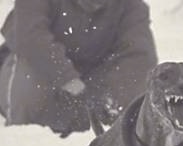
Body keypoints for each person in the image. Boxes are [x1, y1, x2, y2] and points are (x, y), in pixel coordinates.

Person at [0, 0, 158, 137]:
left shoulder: (130, 6)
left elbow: (138, 57)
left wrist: (115, 99)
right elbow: (31, 38)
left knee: (135, 94)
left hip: (93, 76)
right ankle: (26, 138)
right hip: (37, 66)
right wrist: (68, 79)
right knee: (29, 81)